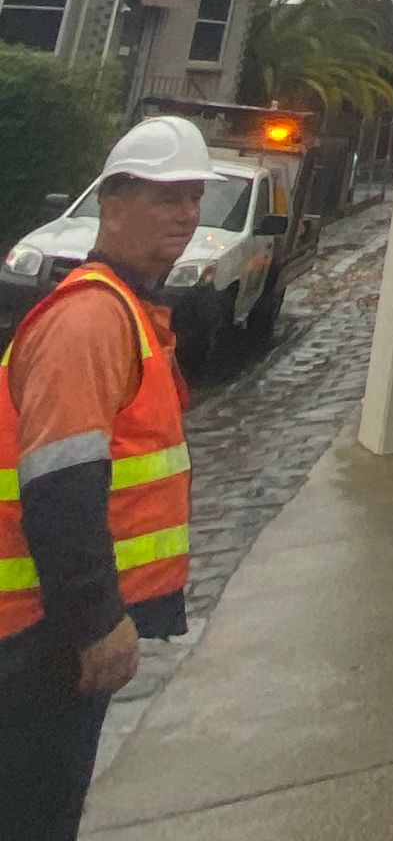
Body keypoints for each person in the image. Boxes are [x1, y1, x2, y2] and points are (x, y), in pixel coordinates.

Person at [0, 114, 208, 841]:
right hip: (35, 634)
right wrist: (96, 622)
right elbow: (59, 486)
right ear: (110, 206)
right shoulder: (93, 318)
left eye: (192, 198)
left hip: (41, 627)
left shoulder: (127, 311)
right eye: (164, 197)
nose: (186, 215)